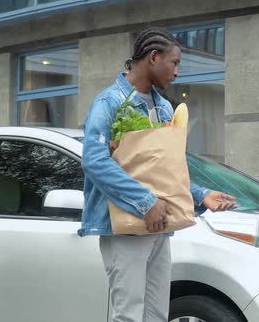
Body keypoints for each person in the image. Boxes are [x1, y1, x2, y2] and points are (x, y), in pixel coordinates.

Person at [79, 27, 237, 322]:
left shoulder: (164, 107)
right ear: (153, 57)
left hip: (160, 225)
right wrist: (145, 201)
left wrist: (202, 194)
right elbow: (95, 160)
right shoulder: (109, 102)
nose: (177, 72)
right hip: (125, 226)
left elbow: (167, 169)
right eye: (174, 63)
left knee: (156, 314)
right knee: (128, 314)